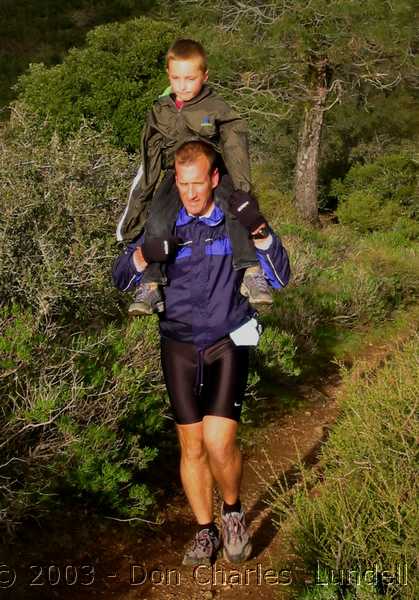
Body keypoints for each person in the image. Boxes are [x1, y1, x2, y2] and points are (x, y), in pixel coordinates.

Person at [112, 140, 291, 566]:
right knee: (191, 445)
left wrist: (261, 229)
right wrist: (142, 255)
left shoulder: (235, 220)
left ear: (214, 179)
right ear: (176, 180)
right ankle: (205, 530)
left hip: (226, 339)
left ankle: (232, 511)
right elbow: (119, 278)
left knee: (218, 439)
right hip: (176, 343)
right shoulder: (163, 221)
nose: (191, 193)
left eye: (198, 183)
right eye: (183, 183)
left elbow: (281, 277)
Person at [116, 38, 274, 317]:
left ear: (205, 76)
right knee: (158, 217)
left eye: (190, 78)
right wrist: (146, 194)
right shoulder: (160, 110)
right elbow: (149, 155)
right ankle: (151, 286)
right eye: (176, 78)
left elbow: (234, 145)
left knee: (234, 209)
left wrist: (242, 189)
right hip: (175, 174)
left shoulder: (215, 107)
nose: (183, 85)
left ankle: (251, 272)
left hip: (214, 172)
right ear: (168, 75)